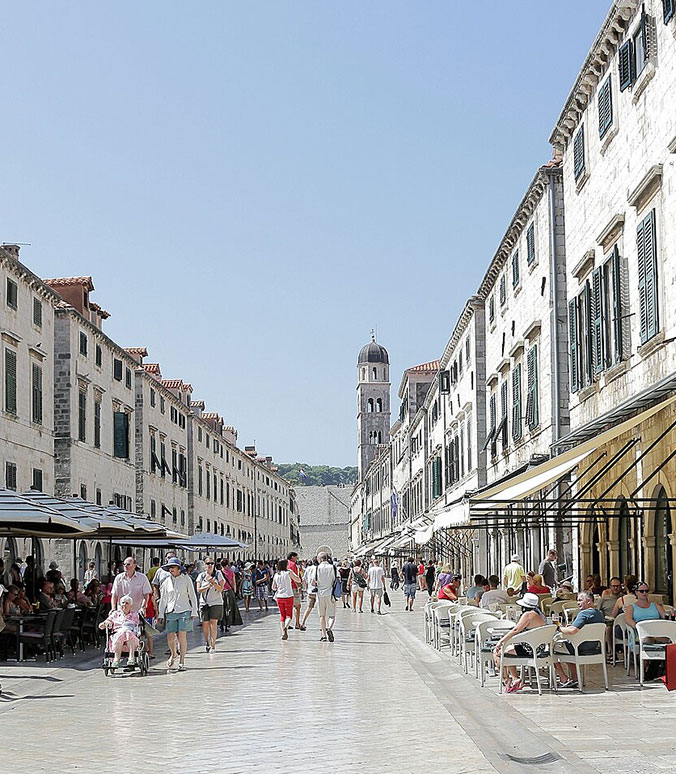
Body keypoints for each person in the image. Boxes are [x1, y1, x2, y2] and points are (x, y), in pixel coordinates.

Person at [493, 592, 547, 693]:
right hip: (538, 648)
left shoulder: (528, 615)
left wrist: (501, 641)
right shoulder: (539, 614)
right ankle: (515, 679)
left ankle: (507, 681)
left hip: (529, 650)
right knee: (507, 650)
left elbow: (515, 630)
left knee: (498, 653)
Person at [554, 591, 605, 688]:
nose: (578, 603)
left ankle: (563, 678)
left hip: (580, 647)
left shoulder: (584, 614)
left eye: (580, 600)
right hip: (593, 646)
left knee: (551, 649)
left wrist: (557, 628)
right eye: (577, 600)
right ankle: (574, 679)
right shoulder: (599, 614)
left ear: (589, 601)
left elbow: (573, 630)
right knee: (567, 648)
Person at [157, 557, 198, 671]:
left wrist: (194, 610)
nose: (171, 569)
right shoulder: (166, 582)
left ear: (179, 568)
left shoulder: (186, 579)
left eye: (173, 567)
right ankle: (174, 654)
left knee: (182, 636)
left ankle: (182, 661)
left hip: (184, 610)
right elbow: (163, 598)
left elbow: (192, 596)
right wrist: (161, 614)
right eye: (169, 567)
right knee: (170, 638)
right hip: (171, 611)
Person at [99, 595, 140, 668]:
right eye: (123, 603)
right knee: (124, 632)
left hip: (130, 636)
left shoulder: (134, 614)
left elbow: (136, 625)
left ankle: (120, 659)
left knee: (127, 632)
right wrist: (104, 624)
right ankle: (129, 658)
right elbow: (107, 621)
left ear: (131, 606)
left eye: (127, 603)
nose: (124, 604)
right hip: (117, 635)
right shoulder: (115, 614)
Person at [196, 557, 225, 653]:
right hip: (204, 603)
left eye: (212, 563)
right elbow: (198, 590)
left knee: (213, 623)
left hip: (216, 602)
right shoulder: (201, 576)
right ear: (204, 564)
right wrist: (207, 586)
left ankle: (213, 645)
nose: (210, 565)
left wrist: (213, 582)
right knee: (205, 624)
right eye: (208, 563)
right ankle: (207, 642)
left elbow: (221, 589)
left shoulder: (218, 574)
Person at [272, 559, 300, 640]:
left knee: (282, 616)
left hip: (279, 597)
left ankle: (283, 632)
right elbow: (297, 579)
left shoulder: (276, 574)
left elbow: (273, 587)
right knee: (289, 615)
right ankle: (285, 628)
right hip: (288, 596)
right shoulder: (289, 572)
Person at [315, 552, 337, 642]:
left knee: (322, 615)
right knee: (331, 615)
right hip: (330, 593)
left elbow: (314, 581)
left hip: (320, 594)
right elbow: (335, 579)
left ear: (320, 559)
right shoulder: (332, 567)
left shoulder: (317, 568)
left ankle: (323, 636)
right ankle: (329, 628)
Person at [300, 559, 318, 628]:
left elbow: (303, 580)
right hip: (319, 591)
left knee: (309, 608)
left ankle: (303, 623)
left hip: (310, 591)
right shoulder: (319, 568)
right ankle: (323, 626)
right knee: (322, 610)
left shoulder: (308, 568)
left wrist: (306, 588)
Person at [287, 552, 303, 627]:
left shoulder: (286, 564)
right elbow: (294, 578)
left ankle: (288, 623)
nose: (297, 559)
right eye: (296, 557)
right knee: (297, 606)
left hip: (287, 587)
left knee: (288, 606)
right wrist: (298, 587)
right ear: (292, 557)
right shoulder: (293, 565)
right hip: (293, 587)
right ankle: (297, 623)